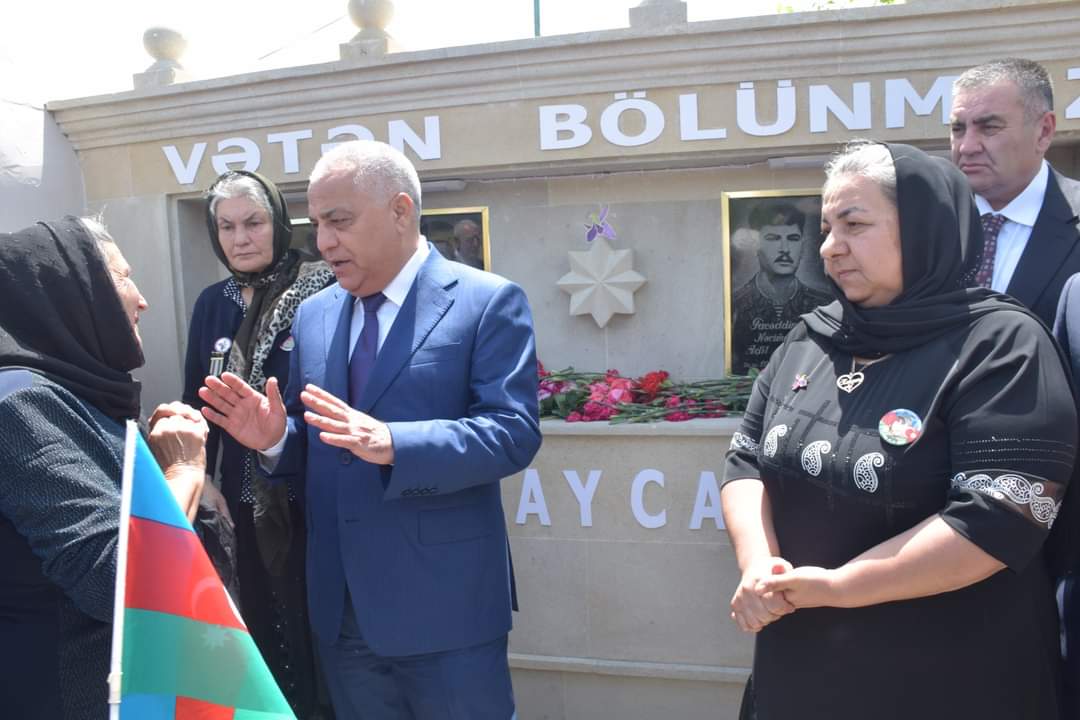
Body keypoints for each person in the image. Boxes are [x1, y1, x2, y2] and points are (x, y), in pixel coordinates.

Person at [721, 141, 1076, 720]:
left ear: (924, 230)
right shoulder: (812, 336)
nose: (830, 248)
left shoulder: (1000, 346)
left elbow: (996, 517)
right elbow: (746, 458)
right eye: (827, 229)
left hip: (950, 674)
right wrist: (760, 565)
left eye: (854, 225)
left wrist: (840, 587)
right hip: (804, 659)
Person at [197, 140, 542, 719]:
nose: (324, 242)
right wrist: (276, 439)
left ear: (401, 211)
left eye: (339, 222)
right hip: (342, 613)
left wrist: (394, 443)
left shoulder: (486, 302)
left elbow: (512, 432)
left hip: (446, 611)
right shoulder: (316, 313)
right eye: (317, 224)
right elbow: (324, 439)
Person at [0, 217, 209, 719]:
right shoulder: (20, 405)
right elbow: (116, 581)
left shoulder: (74, 391)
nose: (143, 300)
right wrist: (183, 472)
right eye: (123, 277)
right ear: (71, 290)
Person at [183, 170, 334, 719]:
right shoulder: (213, 303)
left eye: (253, 223)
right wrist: (202, 476)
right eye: (227, 227)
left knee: (314, 630)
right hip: (240, 502)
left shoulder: (322, 291)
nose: (241, 238)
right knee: (258, 629)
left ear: (279, 223)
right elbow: (195, 398)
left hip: (308, 495)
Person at [951, 57, 1080, 326]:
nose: (966, 147)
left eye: (989, 127)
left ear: (1044, 132)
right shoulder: (927, 221)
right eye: (958, 128)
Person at [730, 201, 831, 374]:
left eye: (793, 239)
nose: (785, 249)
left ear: (802, 245)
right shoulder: (736, 305)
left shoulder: (824, 305)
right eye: (773, 239)